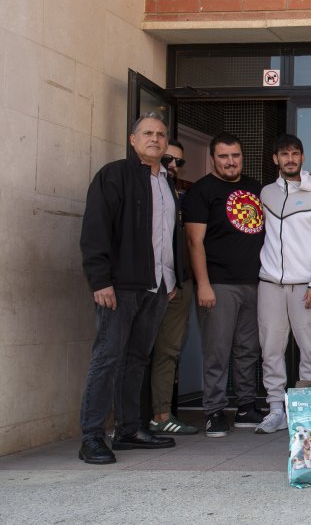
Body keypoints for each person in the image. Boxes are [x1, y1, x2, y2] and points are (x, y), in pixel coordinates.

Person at [78, 112, 185, 464]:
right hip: (121, 286)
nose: (155, 138)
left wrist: (173, 278)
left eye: (161, 134)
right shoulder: (114, 175)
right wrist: (100, 280)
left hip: (158, 286)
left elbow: (169, 237)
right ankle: (92, 436)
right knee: (107, 356)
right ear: (133, 139)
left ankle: (128, 429)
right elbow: (96, 229)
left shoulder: (167, 183)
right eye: (148, 133)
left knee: (137, 358)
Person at [183, 133, 267, 438]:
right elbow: (194, 241)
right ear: (212, 158)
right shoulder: (202, 191)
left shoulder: (256, 188)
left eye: (235, 155)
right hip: (219, 284)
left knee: (248, 349)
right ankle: (214, 411)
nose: (230, 161)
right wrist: (203, 284)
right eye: (223, 156)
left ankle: (246, 406)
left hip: (256, 283)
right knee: (217, 350)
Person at [256, 134, 311, 434]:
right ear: (275, 159)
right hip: (270, 284)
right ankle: (276, 409)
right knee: (271, 349)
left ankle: (306, 410)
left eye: (295, 153)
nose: (290, 158)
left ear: (303, 158)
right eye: (284, 154)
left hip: (307, 286)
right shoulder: (265, 194)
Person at [145, 140, 199, 436]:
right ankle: (129, 419)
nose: (173, 166)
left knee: (169, 350)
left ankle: (161, 415)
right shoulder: (138, 188)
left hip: (179, 282)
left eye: (179, 162)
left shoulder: (182, 195)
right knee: (134, 351)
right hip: (143, 283)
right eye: (169, 159)